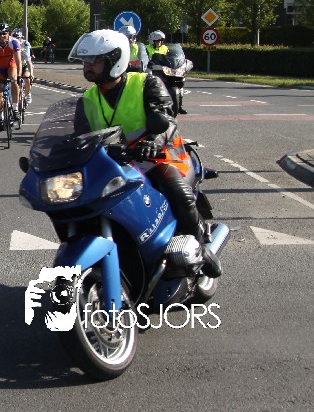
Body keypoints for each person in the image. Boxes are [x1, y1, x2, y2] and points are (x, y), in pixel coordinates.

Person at [68, 29, 221, 277]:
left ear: (114, 60)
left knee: (177, 192)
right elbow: (79, 137)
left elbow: (166, 119)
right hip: (114, 165)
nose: (87, 66)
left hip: (159, 157)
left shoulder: (146, 83)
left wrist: (153, 141)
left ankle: (201, 250)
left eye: (93, 61)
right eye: (85, 61)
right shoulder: (88, 98)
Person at [0, 23, 22, 131]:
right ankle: (0, 118)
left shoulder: (14, 42)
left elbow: (18, 61)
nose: (2, 36)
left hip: (11, 66)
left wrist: (19, 75)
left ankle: (15, 109)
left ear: (8, 33)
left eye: (4, 33)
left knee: (14, 80)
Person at [14, 28, 34, 105]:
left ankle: (28, 93)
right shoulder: (10, 44)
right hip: (15, 66)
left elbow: (29, 62)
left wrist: (31, 74)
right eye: (15, 38)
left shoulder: (25, 44)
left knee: (27, 77)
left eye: (18, 38)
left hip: (25, 65)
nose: (17, 40)